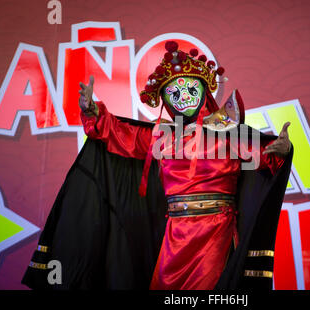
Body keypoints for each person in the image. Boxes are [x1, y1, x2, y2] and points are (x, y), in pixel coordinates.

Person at [22, 41, 293, 290]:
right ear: (165, 100)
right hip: (175, 234)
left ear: (203, 90)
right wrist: (94, 113)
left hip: (215, 232)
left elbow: (263, 157)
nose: (184, 97)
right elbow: (117, 134)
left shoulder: (228, 132)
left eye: (190, 88)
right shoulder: (161, 136)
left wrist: (279, 151)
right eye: (174, 92)